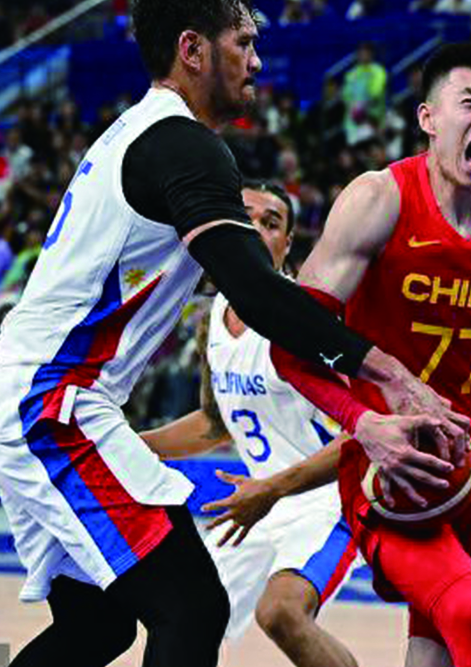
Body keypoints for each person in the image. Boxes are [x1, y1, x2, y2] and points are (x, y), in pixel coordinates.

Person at [0, 0, 464, 667]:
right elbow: (257, 292)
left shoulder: (132, 134)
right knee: (193, 608)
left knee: (99, 627)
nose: (256, 61)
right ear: (192, 49)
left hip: (34, 399)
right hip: (52, 404)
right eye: (243, 43)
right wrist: (388, 373)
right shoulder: (184, 143)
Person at [273, 42, 471, 667]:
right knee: (467, 613)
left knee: (437, 650)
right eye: (469, 103)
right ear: (428, 118)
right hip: (393, 462)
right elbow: (293, 340)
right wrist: (364, 423)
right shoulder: (378, 200)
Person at [141, 182, 363, 667]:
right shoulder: (214, 315)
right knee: (184, 615)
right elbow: (215, 423)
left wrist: (274, 489)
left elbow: (364, 434)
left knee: (282, 613)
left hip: (326, 501)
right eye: (246, 217)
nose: (257, 229)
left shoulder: (308, 316)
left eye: (271, 222)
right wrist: (134, 445)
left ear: (287, 245)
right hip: (256, 502)